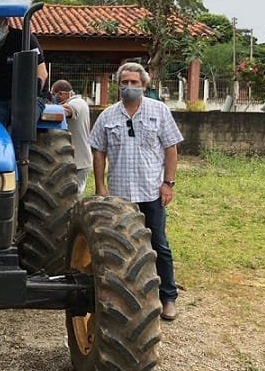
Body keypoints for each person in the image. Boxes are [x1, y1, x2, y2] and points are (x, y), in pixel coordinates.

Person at [89, 62, 184, 322]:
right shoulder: (108, 116)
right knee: (119, 247)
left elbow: (171, 149)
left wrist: (169, 183)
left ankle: (168, 297)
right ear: (118, 85)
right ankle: (125, 296)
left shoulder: (159, 111)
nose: (129, 87)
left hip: (151, 191)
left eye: (134, 82)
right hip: (120, 196)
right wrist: (100, 186)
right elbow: (99, 152)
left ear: (144, 85)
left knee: (158, 245)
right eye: (125, 82)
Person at [0, 17, 48, 127]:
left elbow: (42, 73)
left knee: (21, 125)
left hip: (30, 98)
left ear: (6, 22)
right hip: (3, 98)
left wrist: (29, 99)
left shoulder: (25, 39)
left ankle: (21, 143)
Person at [51, 80, 92, 196]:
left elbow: (68, 110)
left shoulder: (78, 102)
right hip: (71, 159)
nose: (54, 97)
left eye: (54, 94)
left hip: (80, 160)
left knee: (74, 196)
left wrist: (47, 107)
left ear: (60, 94)